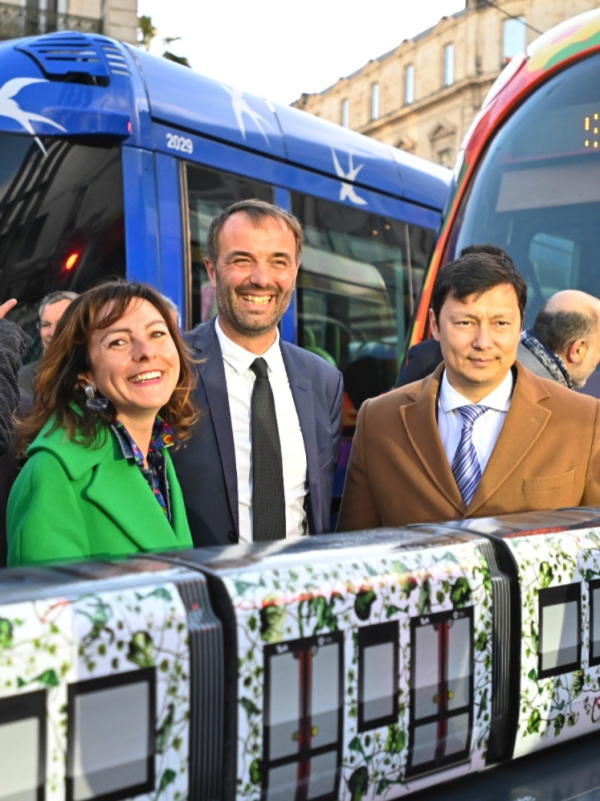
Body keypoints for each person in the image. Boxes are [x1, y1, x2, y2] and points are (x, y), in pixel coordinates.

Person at [337, 249, 600, 531]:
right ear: (435, 325)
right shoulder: (378, 420)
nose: (483, 341)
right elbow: (354, 549)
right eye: (465, 322)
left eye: (501, 323)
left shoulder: (583, 419)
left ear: (520, 325)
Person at [172, 199, 344, 546]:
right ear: (212, 270)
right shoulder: (173, 368)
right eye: (242, 260)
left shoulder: (323, 380)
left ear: (294, 272)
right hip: (204, 591)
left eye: (278, 262)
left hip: (299, 590)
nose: (261, 279)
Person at [7, 282, 198, 567]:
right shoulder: (52, 474)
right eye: (118, 341)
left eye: (158, 333)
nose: (146, 351)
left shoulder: (156, 453)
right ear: (85, 376)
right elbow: (52, 609)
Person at [18, 290, 78, 396]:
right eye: (46, 325)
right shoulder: (23, 380)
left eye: (62, 324)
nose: (52, 332)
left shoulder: (100, 375)